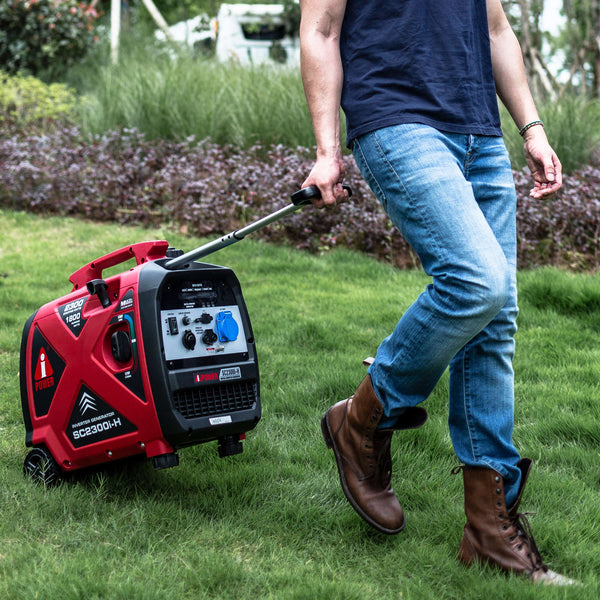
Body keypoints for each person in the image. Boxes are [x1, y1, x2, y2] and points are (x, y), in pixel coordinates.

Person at [299, 0, 575, 585]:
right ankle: (365, 419)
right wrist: (327, 152)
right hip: (397, 122)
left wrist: (532, 127)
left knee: (495, 321)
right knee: (478, 282)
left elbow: (496, 29)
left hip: (480, 136)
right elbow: (320, 29)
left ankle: (488, 530)